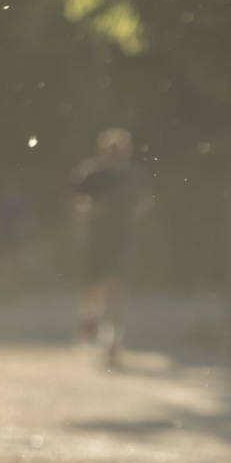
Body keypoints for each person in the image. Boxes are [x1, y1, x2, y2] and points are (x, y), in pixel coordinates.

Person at [69, 128, 150, 367]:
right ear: (102, 151)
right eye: (111, 150)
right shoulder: (90, 174)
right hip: (96, 239)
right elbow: (75, 201)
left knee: (117, 287)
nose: (116, 155)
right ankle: (89, 316)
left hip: (121, 239)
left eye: (120, 150)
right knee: (95, 286)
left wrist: (136, 214)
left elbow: (143, 203)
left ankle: (112, 341)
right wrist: (92, 209)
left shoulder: (134, 176)